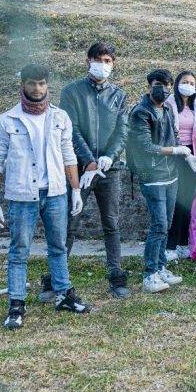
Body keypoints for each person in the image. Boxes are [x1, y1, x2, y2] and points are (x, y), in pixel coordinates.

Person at [0, 64, 90, 329]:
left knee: (58, 246)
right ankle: (16, 305)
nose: (37, 88)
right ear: (23, 85)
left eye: (42, 83)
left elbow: (69, 156)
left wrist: (75, 189)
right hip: (22, 195)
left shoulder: (59, 118)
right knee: (19, 251)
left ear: (48, 86)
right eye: (32, 83)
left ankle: (64, 295)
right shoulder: (6, 120)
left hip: (55, 192)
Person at [55, 42, 130, 300]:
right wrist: (88, 160)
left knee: (111, 223)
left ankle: (116, 274)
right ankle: (57, 277)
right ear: (88, 61)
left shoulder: (119, 95)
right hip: (79, 169)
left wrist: (110, 156)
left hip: (110, 171)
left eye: (107, 60)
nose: (103, 64)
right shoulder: (72, 92)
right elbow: (70, 129)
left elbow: (122, 131)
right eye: (98, 59)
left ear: (113, 63)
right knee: (69, 222)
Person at [127, 69, 188, 293]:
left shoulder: (169, 109)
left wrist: (185, 154)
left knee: (167, 224)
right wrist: (174, 150)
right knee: (158, 225)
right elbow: (145, 146)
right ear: (149, 86)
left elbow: (176, 135)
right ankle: (149, 274)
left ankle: (161, 267)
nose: (162, 88)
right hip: (151, 175)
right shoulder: (140, 112)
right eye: (157, 84)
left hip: (171, 174)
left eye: (166, 84)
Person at [164, 71, 196, 261]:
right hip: (173, 154)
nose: (188, 85)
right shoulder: (167, 104)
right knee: (174, 200)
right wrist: (177, 149)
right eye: (184, 82)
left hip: (192, 156)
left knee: (187, 201)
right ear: (177, 84)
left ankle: (183, 243)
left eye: (191, 83)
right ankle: (170, 245)